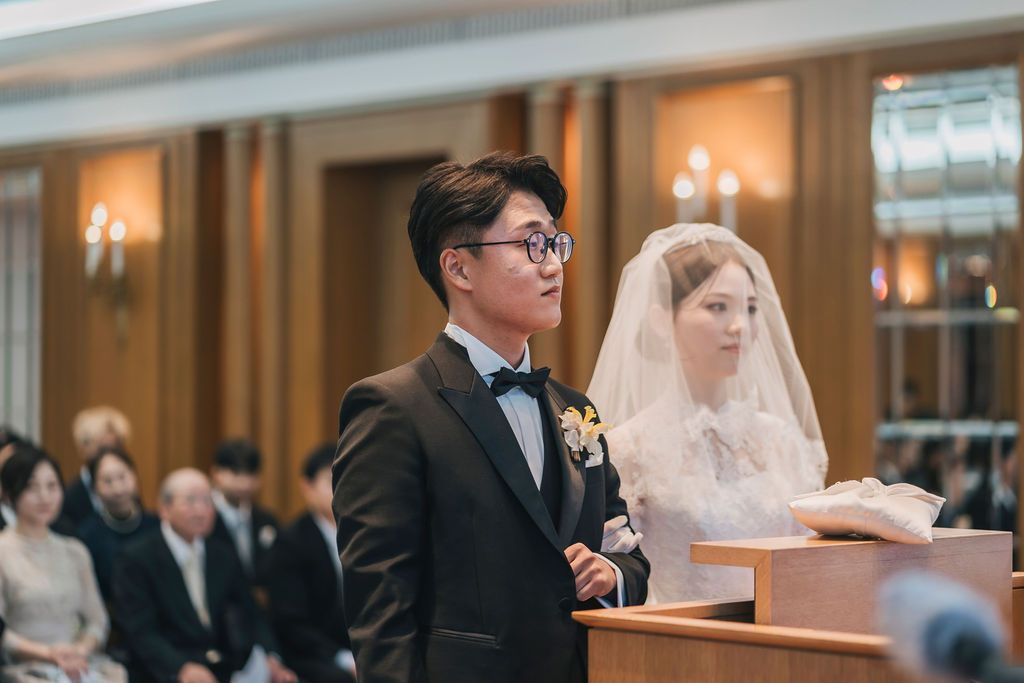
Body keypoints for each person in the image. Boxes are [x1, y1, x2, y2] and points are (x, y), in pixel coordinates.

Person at [333, 151, 649, 683]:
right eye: (531, 243)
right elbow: (380, 610)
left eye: (555, 243)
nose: (553, 265)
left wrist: (612, 574)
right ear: (458, 267)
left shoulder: (576, 410)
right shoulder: (393, 406)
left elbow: (628, 551)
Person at [588, 223, 828, 603]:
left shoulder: (781, 440)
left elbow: (810, 562)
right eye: (717, 306)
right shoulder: (629, 448)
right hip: (679, 634)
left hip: (783, 632)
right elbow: (620, 570)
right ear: (661, 319)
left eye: (750, 308)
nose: (739, 326)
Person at [113, 468, 296, 683]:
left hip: (223, 669)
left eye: (207, 501)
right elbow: (140, 631)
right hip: (163, 672)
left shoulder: (222, 555)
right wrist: (181, 668)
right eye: (190, 501)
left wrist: (271, 657)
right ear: (164, 508)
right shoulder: (137, 558)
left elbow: (252, 612)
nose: (201, 511)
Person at [0, 444, 127, 682]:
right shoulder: (3, 551)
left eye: (52, 486)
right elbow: (3, 635)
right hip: (26, 669)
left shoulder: (75, 551)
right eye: (31, 487)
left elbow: (97, 620)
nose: (45, 497)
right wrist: (49, 653)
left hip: (79, 664)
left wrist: (80, 649)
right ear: (9, 494)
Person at [267, 444, 354, 683]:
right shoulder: (290, 542)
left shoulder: (362, 535)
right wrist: (343, 658)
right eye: (330, 481)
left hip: (355, 647)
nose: (340, 488)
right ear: (307, 487)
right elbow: (290, 621)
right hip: (308, 653)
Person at [77, 447, 159, 602]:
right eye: (107, 481)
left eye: (122, 477)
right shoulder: (87, 535)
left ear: (135, 476)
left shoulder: (157, 526)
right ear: (94, 488)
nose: (117, 489)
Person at [209, 440, 279, 588]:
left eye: (251, 474)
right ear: (216, 473)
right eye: (236, 473)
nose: (245, 483)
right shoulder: (205, 520)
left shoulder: (267, 520)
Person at [61, 406, 131, 529]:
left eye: (116, 449)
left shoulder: (128, 487)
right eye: (103, 449)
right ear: (83, 449)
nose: (110, 457)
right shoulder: (70, 498)